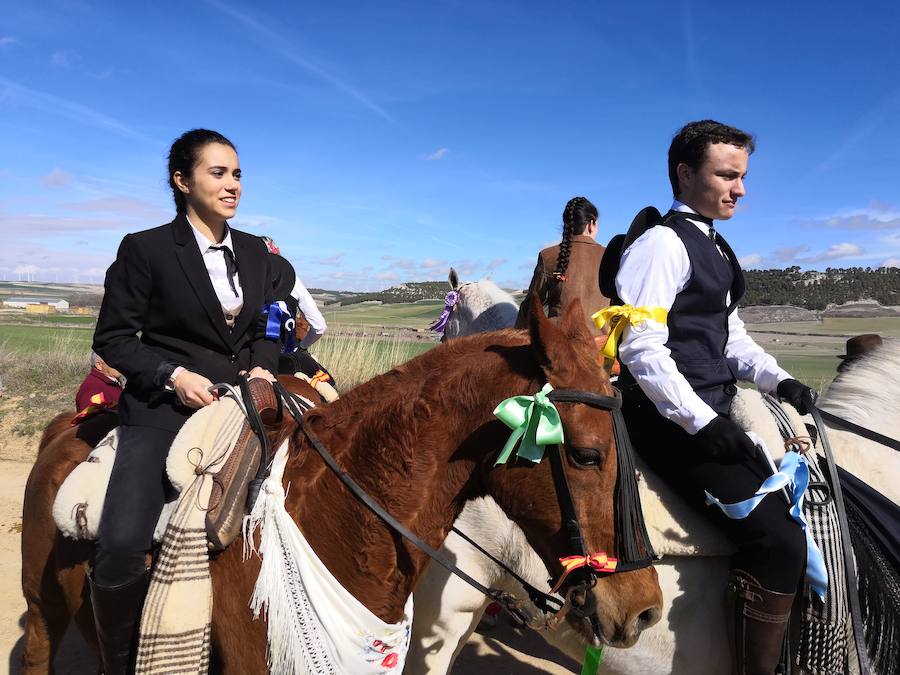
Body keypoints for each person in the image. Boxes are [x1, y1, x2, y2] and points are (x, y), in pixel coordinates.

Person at [613, 120, 817, 674]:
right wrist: (702, 423)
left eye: (742, 176)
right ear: (685, 173)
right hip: (661, 416)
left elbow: (732, 339)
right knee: (778, 540)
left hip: (709, 407)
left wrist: (779, 381)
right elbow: (642, 349)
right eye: (727, 175)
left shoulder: (717, 247)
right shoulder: (659, 245)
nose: (741, 189)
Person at [91, 129, 280, 674]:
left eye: (238, 174)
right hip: (163, 410)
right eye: (218, 173)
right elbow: (114, 340)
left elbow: (269, 324)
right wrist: (172, 375)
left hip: (243, 402)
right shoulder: (145, 248)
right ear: (182, 180)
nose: (233, 185)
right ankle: (117, 662)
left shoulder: (254, 251)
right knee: (124, 539)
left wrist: (265, 361)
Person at [515, 196, 609, 336]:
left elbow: (531, 306)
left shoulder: (548, 256)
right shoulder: (610, 256)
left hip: (558, 349)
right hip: (600, 350)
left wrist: (515, 336)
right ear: (591, 224)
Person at [74, 351, 124, 416]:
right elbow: (91, 423)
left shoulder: (111, 381)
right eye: (113, 360)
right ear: (99, 365)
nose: (119, 363)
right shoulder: (92, 389)